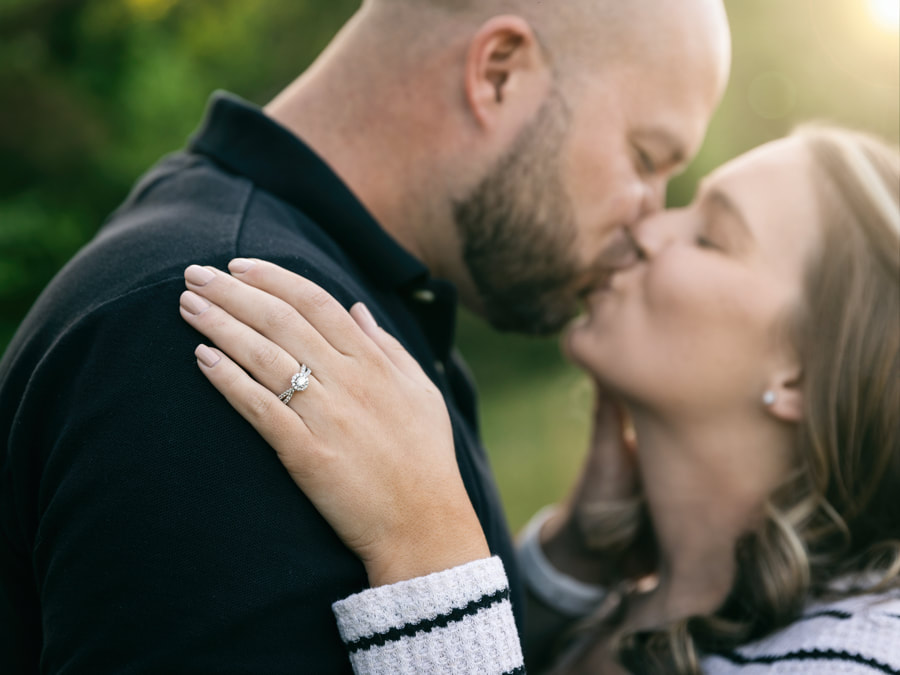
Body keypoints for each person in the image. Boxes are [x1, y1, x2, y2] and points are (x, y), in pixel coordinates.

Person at [0, 0, 731, 671]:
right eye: (646, 157)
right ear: (499, 72)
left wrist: (564, 567)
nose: (647, 220)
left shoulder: (342, 301)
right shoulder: (236, 334)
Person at [179, 126, 900, 674]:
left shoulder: (858, 655)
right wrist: (573, 560)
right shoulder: (616, 608)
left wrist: (429, 552)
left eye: (710, 237)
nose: (646, 230)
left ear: (803, 375)